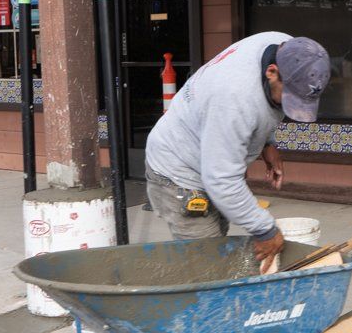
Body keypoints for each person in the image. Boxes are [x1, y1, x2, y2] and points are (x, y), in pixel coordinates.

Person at [142, 31, 331, 269]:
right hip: (179, 172)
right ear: (271, 72)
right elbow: (221, 181)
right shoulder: (233, 99)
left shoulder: (287, 48)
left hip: (211, 157)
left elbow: (261, 106)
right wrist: (266, 230)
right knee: (208, 268)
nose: (287, 107)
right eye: (288, 98)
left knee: (218, 244)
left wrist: (267, 143)